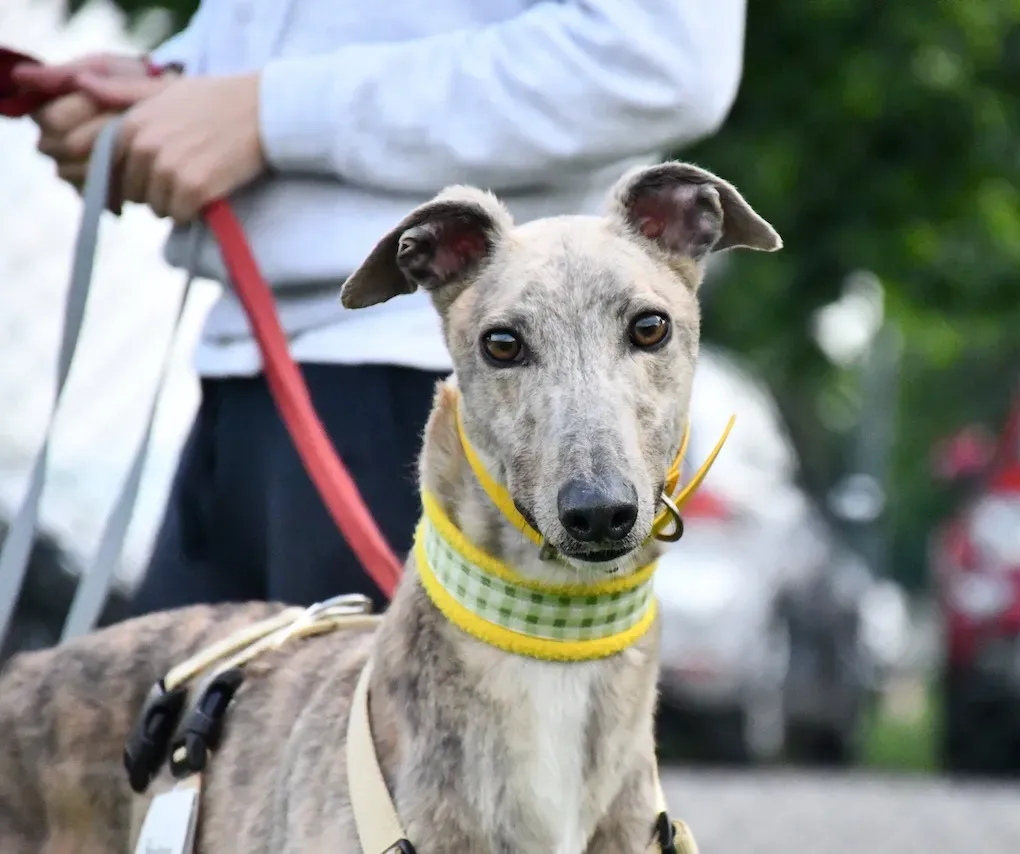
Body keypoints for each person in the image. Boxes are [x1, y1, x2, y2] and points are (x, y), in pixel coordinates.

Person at [19, 0, 748, 614]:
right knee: (168, 777)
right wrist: (180, 86)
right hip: (243, 372)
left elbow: (661, 55)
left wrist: (266, 112)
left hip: (412, 392)